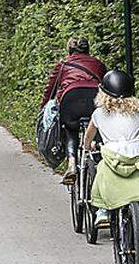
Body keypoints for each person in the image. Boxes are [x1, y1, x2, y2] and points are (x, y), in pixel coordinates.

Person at [83, 70, 139, 264]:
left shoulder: (98, 115)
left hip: (114, 160)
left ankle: (101, 211)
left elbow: (88, 138)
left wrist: (88, 147)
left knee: (101, 172)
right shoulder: (138, 114)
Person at [39, 37, 106, 184]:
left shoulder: (62, 65)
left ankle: (71, 164)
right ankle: (100, 162)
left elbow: (50, 91)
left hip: (71, 98)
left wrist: (43, 107)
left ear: (69, 51)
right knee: (98, 126)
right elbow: (107, 87)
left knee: (70, 128)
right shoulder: (98, 64)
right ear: (88, 50)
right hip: (95, 98)